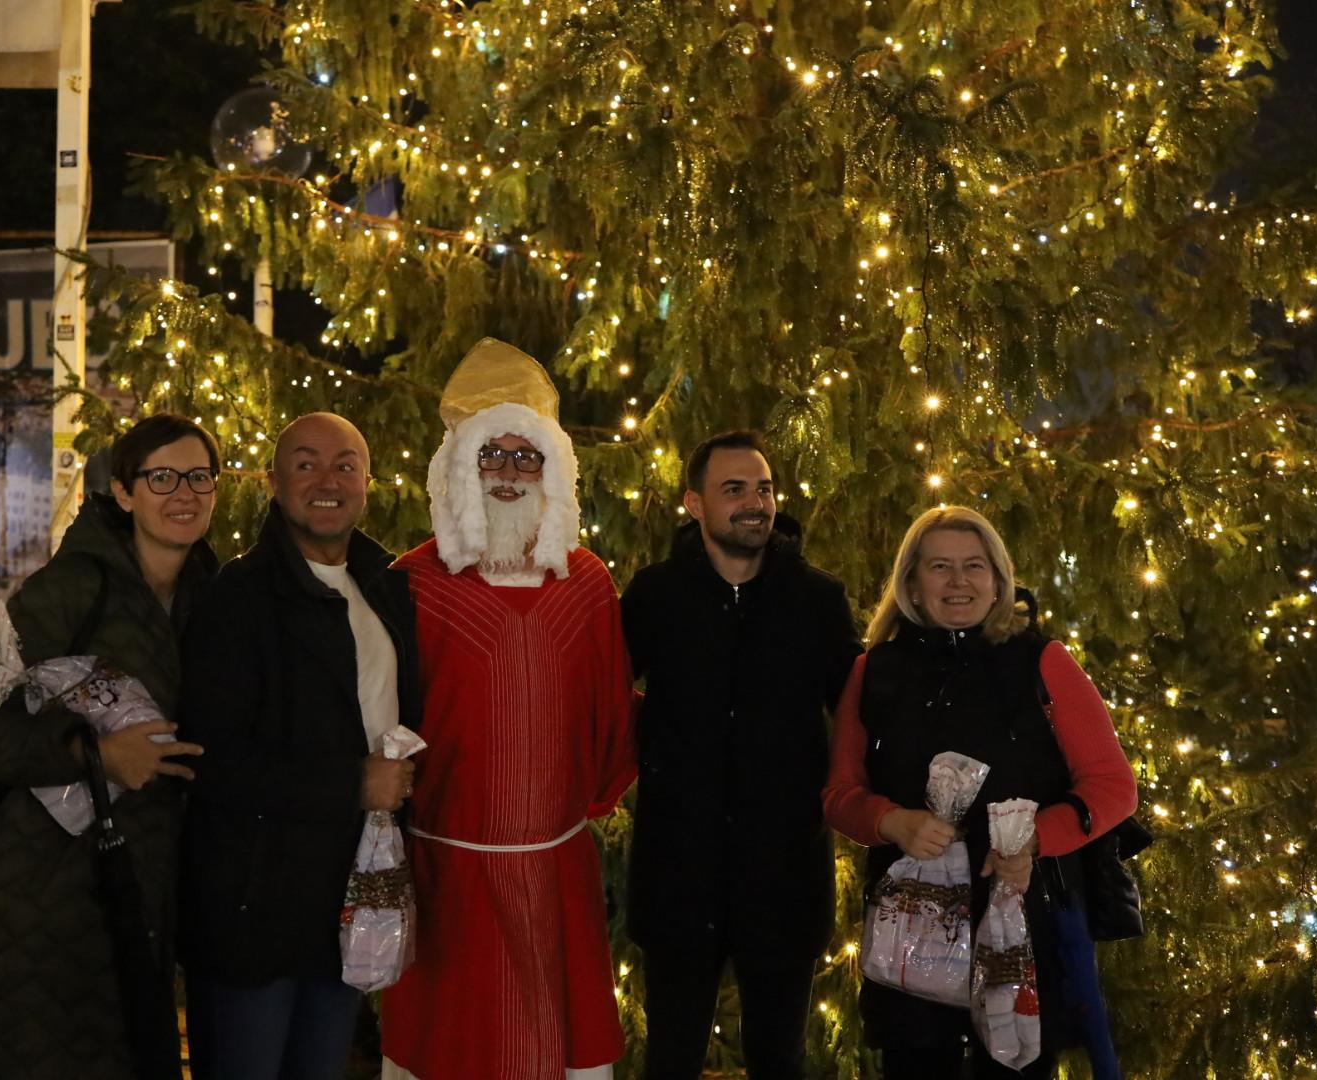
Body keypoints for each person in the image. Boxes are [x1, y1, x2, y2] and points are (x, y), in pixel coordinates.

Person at [380, 338, 637, 1080]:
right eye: (492, 455)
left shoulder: (586, 584)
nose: (508, 473)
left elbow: (611, 714)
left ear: (553, 472)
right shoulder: (414, 584)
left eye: (528, 458)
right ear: (460, 467)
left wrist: (587, 795)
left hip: (555, 872)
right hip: (444, 873)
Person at [0, 414, 220, 1079]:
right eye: (162, 478)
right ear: (123, 493)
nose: (184, 493)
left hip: (141, 885)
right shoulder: (70, 588)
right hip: (42, 887)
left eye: (200, 477)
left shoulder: (212, 593)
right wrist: (95, 755)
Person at [821, 506, 1138, 1080]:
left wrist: (1035, 841)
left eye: (974, 566)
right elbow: (840, 794)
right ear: (912, 581)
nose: (959, 581)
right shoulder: (875, 671)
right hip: (911, 930)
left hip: (1024, 917)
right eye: (940, 566)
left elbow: (1114, 787)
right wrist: (892, 822)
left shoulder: (1044, 662)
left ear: (999, 579)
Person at [178, 412, 421, 1080]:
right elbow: (212, 759)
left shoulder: (390, 585)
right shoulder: (238, 597)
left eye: (345, 464)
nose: (327, 480)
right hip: (255, 909)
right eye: (306, 463)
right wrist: (353, 783)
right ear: (273, 483)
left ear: (368, 483)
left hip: (349, 900)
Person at [619, 430, 862, 1079]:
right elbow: (600, 700)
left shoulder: (818, 599)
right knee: (670, 1059)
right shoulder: (653, 597)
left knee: (779, 1060)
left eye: (764, 488)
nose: (756, 503)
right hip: (677, 880)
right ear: (694, 503)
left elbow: (860, 714)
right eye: (735, 490)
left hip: (784, 882)